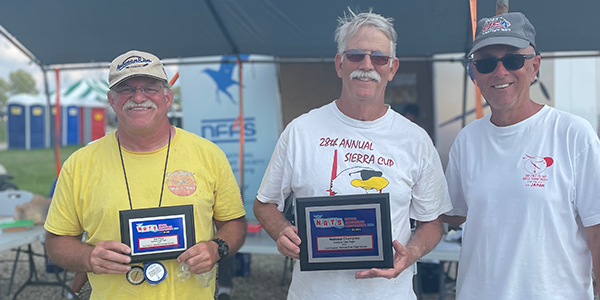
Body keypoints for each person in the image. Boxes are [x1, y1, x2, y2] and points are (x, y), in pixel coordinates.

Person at [253, 9, 452, 299]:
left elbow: (432, 222)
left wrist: (410, 253)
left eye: (379, 58)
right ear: (340, 63)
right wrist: (282, 231)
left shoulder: (415, 140)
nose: (367, 65)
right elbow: (265, 204)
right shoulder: (301, 131)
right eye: (356, 55)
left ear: (392, 68)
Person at [44, 50, 247, 299]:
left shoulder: (208, 154)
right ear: (111, 99)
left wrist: (217, 248)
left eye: (150, 88)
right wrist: (88, 257)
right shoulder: (80, 164)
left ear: (168, 97)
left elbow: (234, 222)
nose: (138, 97)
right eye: (126, 89)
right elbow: (56, 242)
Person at [443, 12, 600, 299]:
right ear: (474, 74)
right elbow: (452, 213)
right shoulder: (467, 139)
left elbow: (597, 228)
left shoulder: (573, 133)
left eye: (513, 60)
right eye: (487, 63)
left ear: (535, 66)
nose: (500, 72)